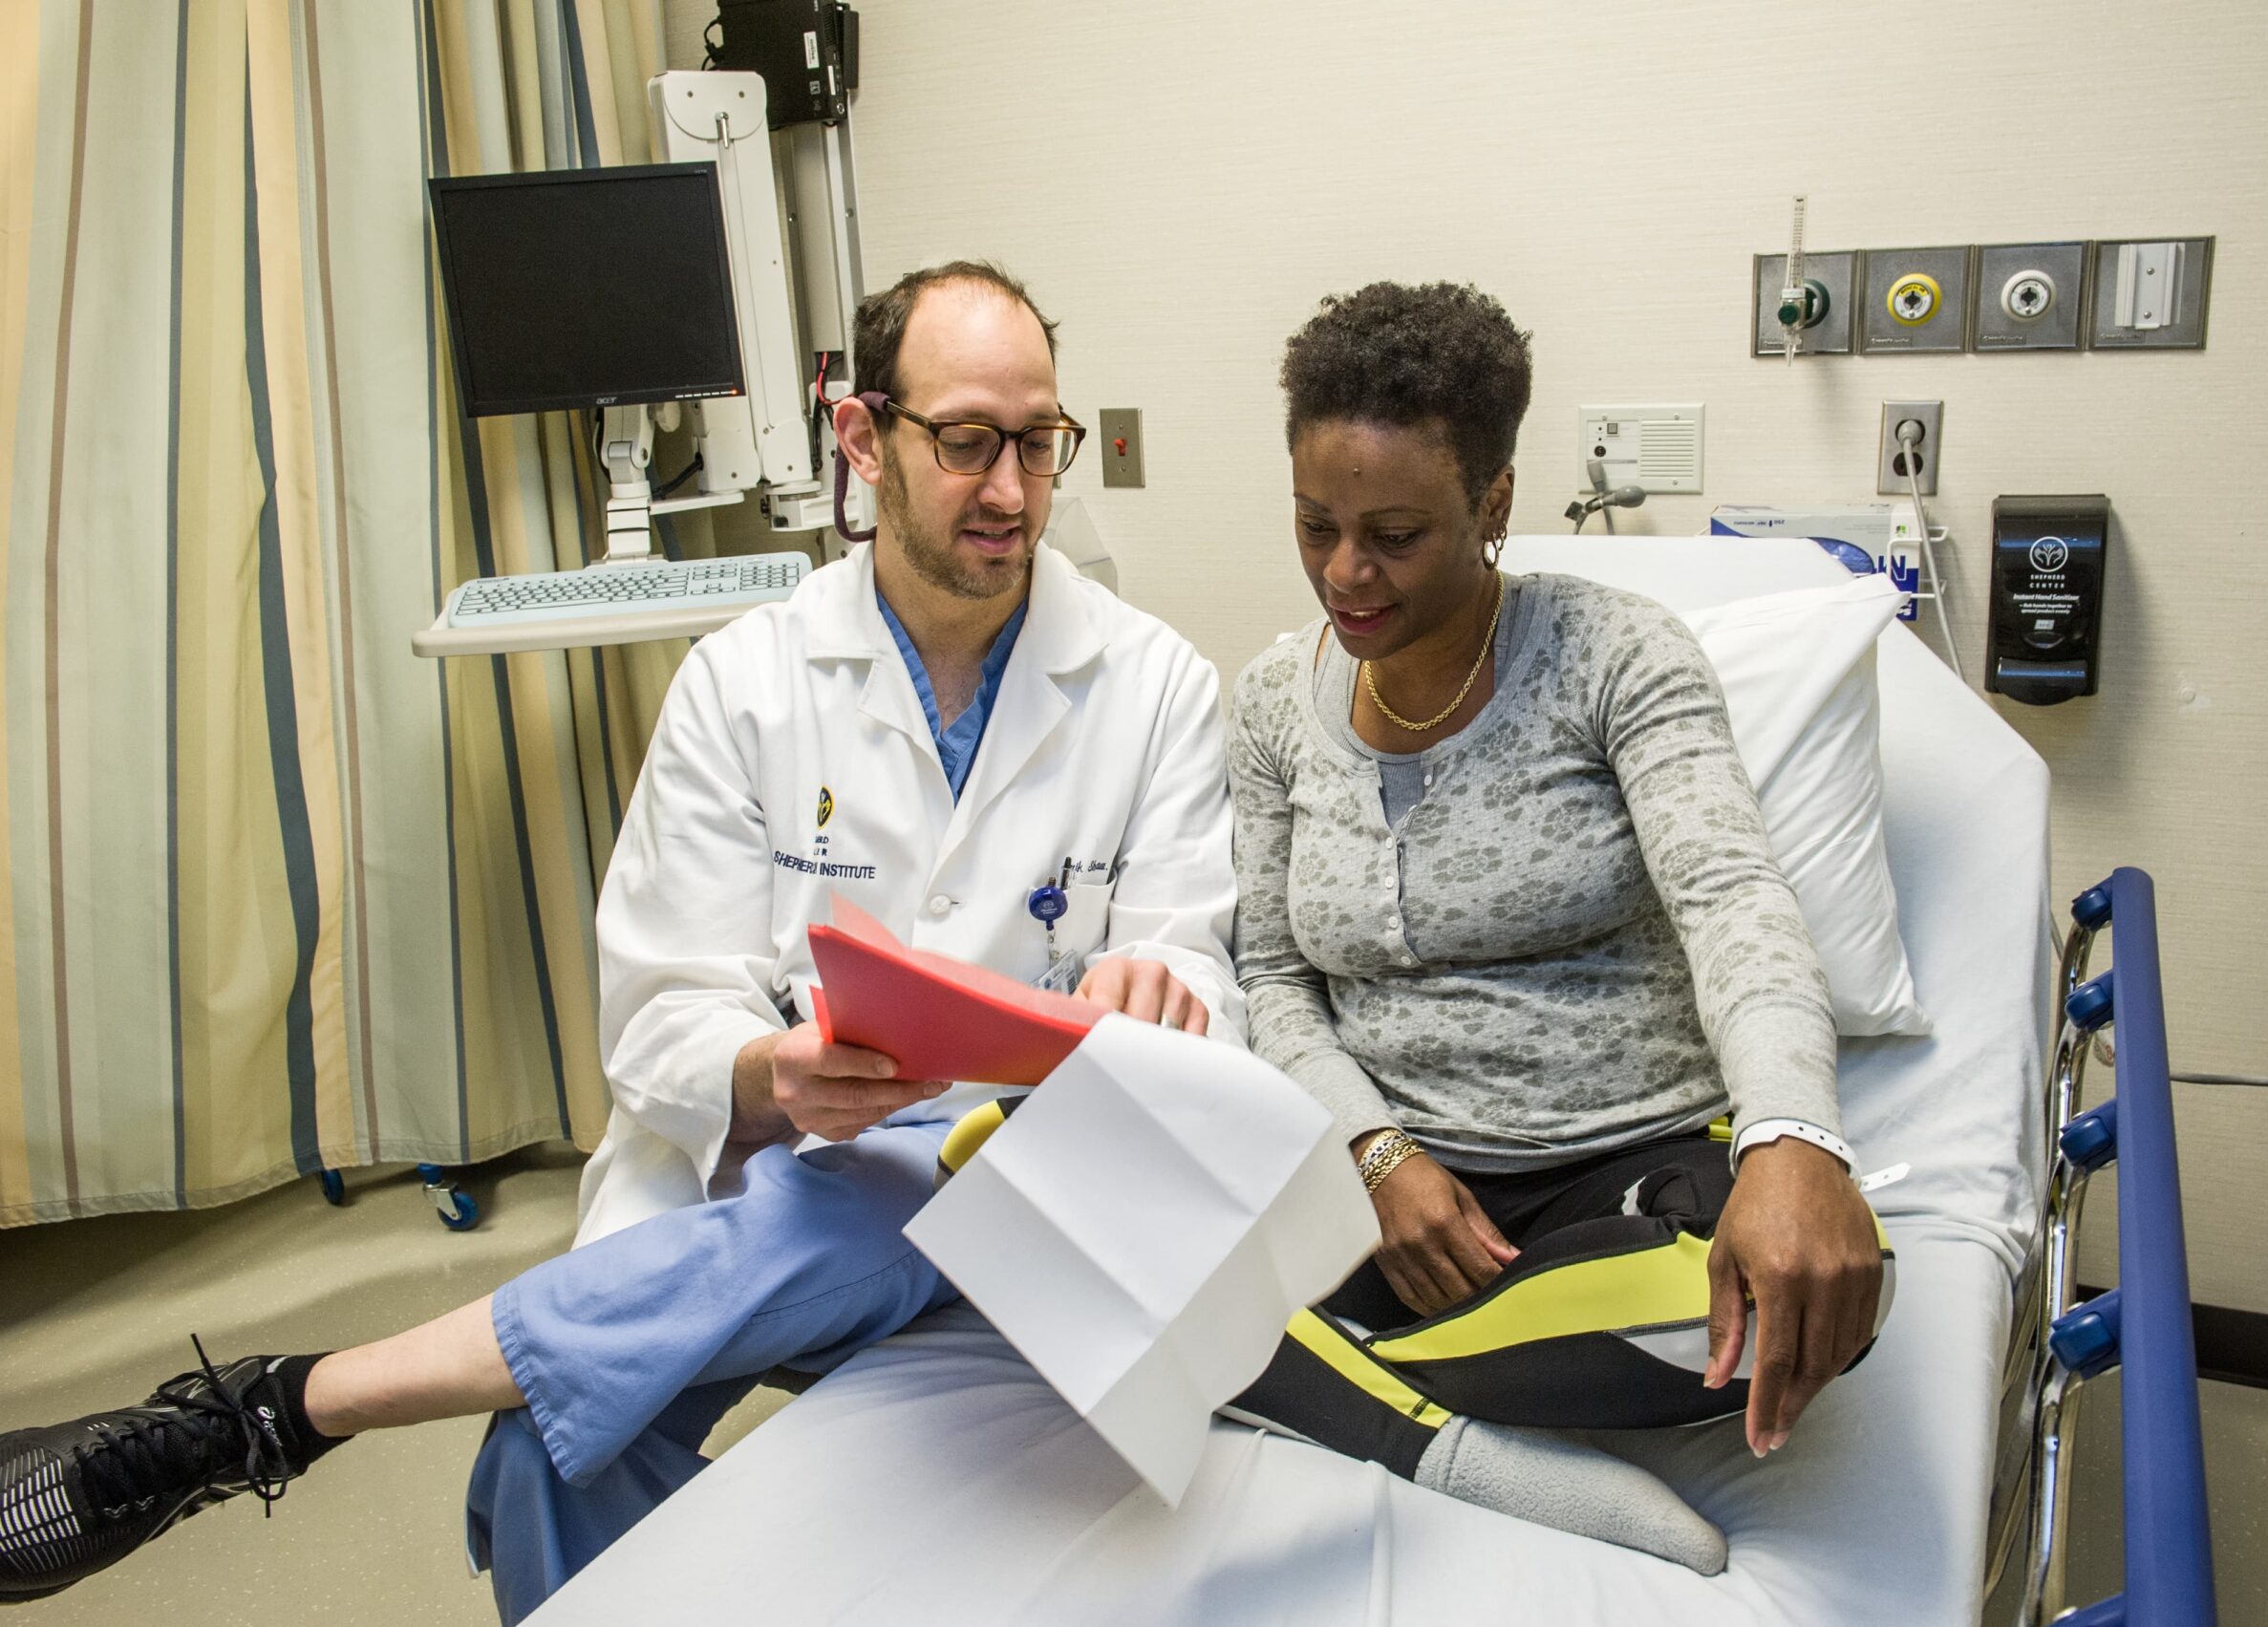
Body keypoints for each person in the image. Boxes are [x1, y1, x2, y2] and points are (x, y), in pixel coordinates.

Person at [0, 262, 1238, 1620]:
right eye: (965, 443)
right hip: (777, 1177)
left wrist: (1159, 987)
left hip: (1022, 1201)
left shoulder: (1154, 685)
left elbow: (1201, 974)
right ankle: (279, 1412)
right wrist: (771, 1074)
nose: (1010, 489)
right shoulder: (744, 684)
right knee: (549, 1451)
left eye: (1038, 444)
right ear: (861, 437)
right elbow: (658, 1009)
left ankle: (288, 1406)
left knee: (897, 1191)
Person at [1212, 282, 1892, 1564]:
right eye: (1317, 525)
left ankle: (1329, 1377)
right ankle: (1445, 1435)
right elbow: (1269, 971)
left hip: (1618, 1172)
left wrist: (1794, 1139)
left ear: (1495, 503)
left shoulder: (1619, 659)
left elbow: (1732, 897)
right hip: (1374, 1183)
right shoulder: (1266, 703)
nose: (1346, 573)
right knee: (1059, 1181)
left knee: (1820, 1294)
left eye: (1398, 533)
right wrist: (1373, 1153)